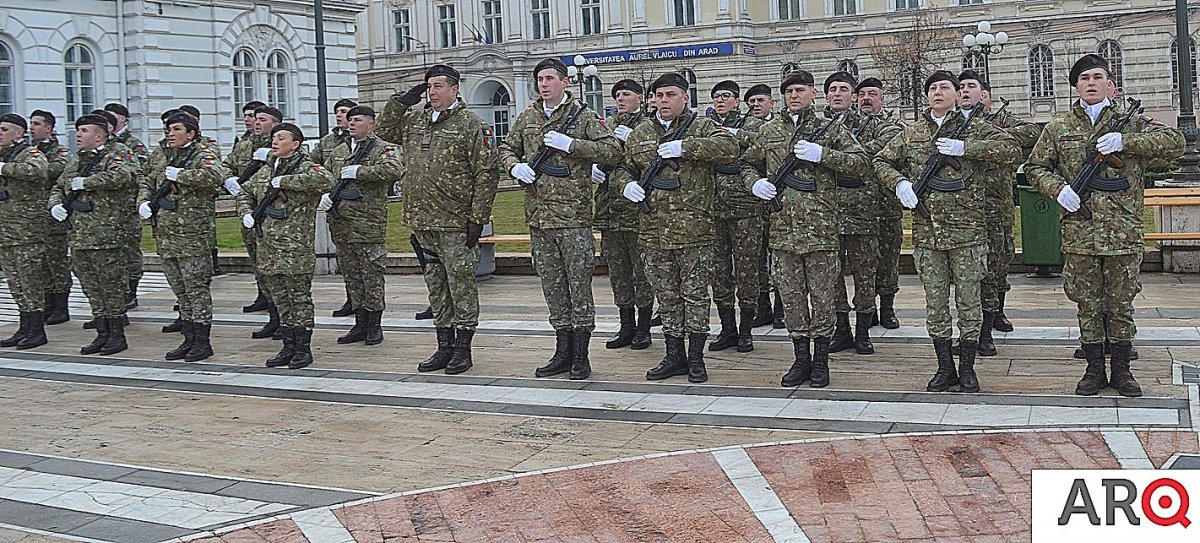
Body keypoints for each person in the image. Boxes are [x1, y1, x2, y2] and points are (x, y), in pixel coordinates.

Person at [1027, 54, 1184, 397]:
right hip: (1080, 232)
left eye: (1097, 77)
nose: (1091, 83)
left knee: (1121, 304)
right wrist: (1059, 190)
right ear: (1076, 86)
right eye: (1084, 78)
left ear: (1110, 84)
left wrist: (1126, 142)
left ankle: (1123, 371)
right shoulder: (1058, 128)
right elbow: (1035, 167)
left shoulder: (1132, 122)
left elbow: (1176, 142)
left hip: (1122, 231)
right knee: (1087, 303)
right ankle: (1094, 370)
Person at [874, 70, 1020, 393]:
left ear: (957, 94)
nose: (937, 92)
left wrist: (965, 148)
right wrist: (900, 184)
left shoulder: (975, 127)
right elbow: (881, 161)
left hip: (968, 234)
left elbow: (1012, 150)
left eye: (944, 87)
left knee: (969, 303)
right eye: (932, 88)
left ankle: (967, 368)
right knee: (936, 304)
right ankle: (944, 367)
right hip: (928, 236)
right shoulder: (912, 133)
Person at [742, 70, 870, 388]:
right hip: (782, 231)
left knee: (823, 297)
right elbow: (747, 163)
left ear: (813, 93)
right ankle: (801, 358)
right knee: (792, 297)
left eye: (800, 90)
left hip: (820, 230)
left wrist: (823, 155)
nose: (794, 96)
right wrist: (754, 183)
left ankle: (821, 360)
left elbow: (861, 164)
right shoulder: (769, 130)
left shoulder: (829, 128)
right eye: (788, 91)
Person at [613, 72, 739, 383]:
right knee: (666, 296)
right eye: (659, 96)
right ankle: (674, 355)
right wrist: (626, 184)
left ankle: (696, 357)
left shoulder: (702, 126)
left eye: (670, 95)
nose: (664, 101)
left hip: (694, 230)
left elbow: (730, 147)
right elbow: (624, 167)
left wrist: (686, 147)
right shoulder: (642, 132)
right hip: (654, 230)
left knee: (695, 296)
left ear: (685, 97)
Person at [500, 58, 621, 380]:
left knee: (579, 287)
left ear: (565, 82)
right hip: (539, 219)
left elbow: (612, 151)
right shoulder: (528, 117)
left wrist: (573, 145)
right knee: (552, 287)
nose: (544, 84)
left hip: (572, 219)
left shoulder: (583, 116)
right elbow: (505, 148)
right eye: (540, 79)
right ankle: (562, 351)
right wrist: (514, 166)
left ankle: (581, 355)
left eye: (550, 78)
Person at [377, 64, 499, 375]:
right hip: (422, 220)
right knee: (436, 287)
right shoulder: (415, 120)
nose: (432, 92)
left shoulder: (472, 125)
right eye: (429, 86)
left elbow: (486, 174)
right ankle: (443, 346)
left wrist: (478, 218)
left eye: (438, 86)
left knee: (461, 286)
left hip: (455, 220)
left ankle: (463, 349)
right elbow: (383, 130)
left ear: (455, 89)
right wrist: (403, 101)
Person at [955, 70, 1043, 356]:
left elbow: (1032, 133)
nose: (964, 90)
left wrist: (989, 137)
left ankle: (988, 327)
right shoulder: (953, 124)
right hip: (964, 212)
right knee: (969, 275)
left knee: (995, 269)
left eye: (971, 86)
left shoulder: (999, 120)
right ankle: (971, 329)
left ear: (984, 95)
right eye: (961, 87)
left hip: (996, 211)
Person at [236, 123, 332, 369]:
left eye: (281, 138)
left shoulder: (305, 166)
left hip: (294, 248)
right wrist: (246, 212)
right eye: (274, 137)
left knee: (299, 299)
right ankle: (287, 346)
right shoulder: (268, 168)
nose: (275, 141)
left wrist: (286, 182)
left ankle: (303, 349)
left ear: (295, 144)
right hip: (268, 248)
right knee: (280, 299)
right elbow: (245, 191)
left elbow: (326, 179)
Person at [48, 114, 139, 355]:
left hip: (106, 235)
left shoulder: (113, 156)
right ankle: (102, 333)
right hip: (79, 236)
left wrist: (87, 182)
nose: (78, 134)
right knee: (91, 288)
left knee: (111, 287)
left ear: (99, 136)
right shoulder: (75, 160)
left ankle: (117, 335)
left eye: (84, 131)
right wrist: (55, 204)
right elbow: (59, 186)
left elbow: (122, 176)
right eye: (78, 130)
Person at [136, 111, 223, 361]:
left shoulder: (202, 154)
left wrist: (181, 176)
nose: (170, 134)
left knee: (196, 290)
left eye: (176, 130)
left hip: (193, 236)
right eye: (168, 130)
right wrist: (143, 201)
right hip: (166, 235)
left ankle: (202, 342)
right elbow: (147, 179)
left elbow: (215, 175)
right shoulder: (163, 155)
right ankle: (189, 338)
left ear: (191, 133)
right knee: (181, 292)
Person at [320, 105, 402, 346]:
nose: (352, 124)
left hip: (368, 225)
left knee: (371, 276)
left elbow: (394, 169)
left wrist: (361, 171)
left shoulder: (381, 148)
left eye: (357, 120)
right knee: (352, 276)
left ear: (371, 124)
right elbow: (326, 175)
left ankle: (374, 325)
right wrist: (325, 193)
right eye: (350, 120)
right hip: (341, 224)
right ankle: (359, 323)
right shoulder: (340, 150)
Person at [592, 79, 655, 351]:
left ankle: (643, 328)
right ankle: (626, 325)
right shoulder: (606, 126)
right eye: (617, 94)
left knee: (642, 273)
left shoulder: (649, 127)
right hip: (610, 211)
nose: (620, 99)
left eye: (626, 94)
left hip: (636, 212)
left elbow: (656, 163)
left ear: (640, 98)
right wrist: (593, 167)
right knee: (618, 273)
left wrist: (635, 142)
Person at [823, 71, 883, 355]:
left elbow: (869, 156)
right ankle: (841, 329)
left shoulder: (871, 126)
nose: (837, 94)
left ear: (854, 96)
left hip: (862, 213)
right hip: (828, 213)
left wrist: (829, 157)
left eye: (843, 89)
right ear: (826, 96)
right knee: (832, 277)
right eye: (833, 89)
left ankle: (863, 332)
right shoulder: (817, 127)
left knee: (865, 276)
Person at [707, 80, 767, 353]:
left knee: (747, 270)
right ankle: (727, 328)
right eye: (716, 97)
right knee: (719, 271)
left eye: (726, 96)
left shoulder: (752, 125)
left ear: (737, 101)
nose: (720, 101)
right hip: (714, 207)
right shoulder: (706, 126)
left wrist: (734, 134)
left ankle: (746, 330)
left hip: (745, 208)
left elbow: (762, 145)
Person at [849, 77, 905, 331]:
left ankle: (887, 307)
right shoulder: (848, 126)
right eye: (862, 94)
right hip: (858, 208)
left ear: (882, 99)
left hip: (886, 206)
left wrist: (849, 153)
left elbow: (885, 149)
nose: (866, 99)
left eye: (872, 94)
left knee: (888, 260)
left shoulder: (894, 127)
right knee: (864, 264)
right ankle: (867, 308)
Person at [223, 105, 282, 331]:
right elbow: (225, 165)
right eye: (255, 119)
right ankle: (269, 308)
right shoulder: (244, 145)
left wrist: (269, 156)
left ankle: (281, 318)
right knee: (259, 264)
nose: (257, 122)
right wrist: (228, 179)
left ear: (275, 124)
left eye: (262, 119)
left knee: (276, 269)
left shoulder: (282, 144)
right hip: (248, 213)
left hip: (275, 217)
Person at [0, 113, 51, 349]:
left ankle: (37, 330)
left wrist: (5, 168)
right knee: (15, 283)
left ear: (19, 133)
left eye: (4, 130)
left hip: (26, 231)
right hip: (6, 231)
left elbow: (37, 171)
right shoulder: (4, 155)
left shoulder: (31, 154)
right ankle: (24, 326)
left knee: (30, 281)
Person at [29, 110, 75, 325]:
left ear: (49, 128)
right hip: (33, 218)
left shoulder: (61, 152)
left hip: (53, 219)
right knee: (41, 264)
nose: (32, 128)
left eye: (37, 124)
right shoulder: (28, 151)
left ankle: (61, 305)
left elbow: (51, 171)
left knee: (57, 262)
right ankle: (48, 303)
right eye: (31, 124)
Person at [742, 83, 782, 328]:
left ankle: (781, 309)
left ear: (771, 103)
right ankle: (763, 306)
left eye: (760, 100)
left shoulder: (779, 126)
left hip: (779, 205)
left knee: (779, 258)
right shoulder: (744, 125)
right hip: (754, 204)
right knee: (756, 259)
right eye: (752, 102)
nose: (756, 105)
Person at [103, 103, 149, 311]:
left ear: (122, 119)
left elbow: (141, 169)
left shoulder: (131, 144)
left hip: (126, 206)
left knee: (129, 250)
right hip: (105, 211)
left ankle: (131, 290)